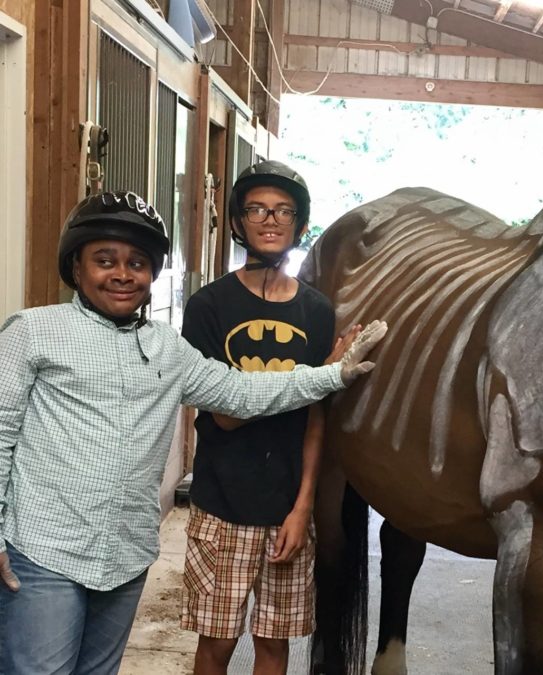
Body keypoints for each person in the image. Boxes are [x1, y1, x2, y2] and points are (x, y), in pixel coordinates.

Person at [0, 191, 385, 675]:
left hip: (125, 555)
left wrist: (333, 374)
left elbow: (241, 392)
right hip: (45, 552)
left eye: (137, 263)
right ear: (76, 267)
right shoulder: (33, 332)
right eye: (105, 260)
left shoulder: (166, 348)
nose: (123, 274)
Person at [179, 161, 332, 675]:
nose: (271, 219)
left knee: (274, 644)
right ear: (238, 221)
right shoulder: (208, 306)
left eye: (284, 211)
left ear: (299, 224)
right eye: (257, 209)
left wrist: (303, 507)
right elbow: (224, 415)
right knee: (217, 644)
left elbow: (316, 419)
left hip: (287, 508)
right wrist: (315, 378)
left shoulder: (316, 311)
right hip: (221, 504)